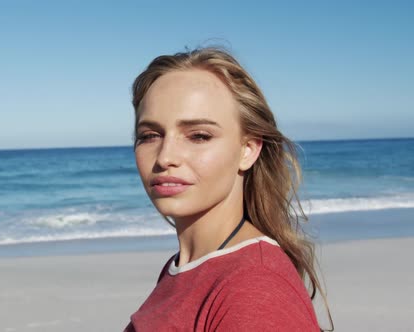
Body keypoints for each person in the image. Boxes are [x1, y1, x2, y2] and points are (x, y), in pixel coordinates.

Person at [124, 47, 333, 331]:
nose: (164, 157)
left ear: (247, 149)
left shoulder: (253, 286)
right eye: (149, 135)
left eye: (199, 136)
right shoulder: (186, 266)